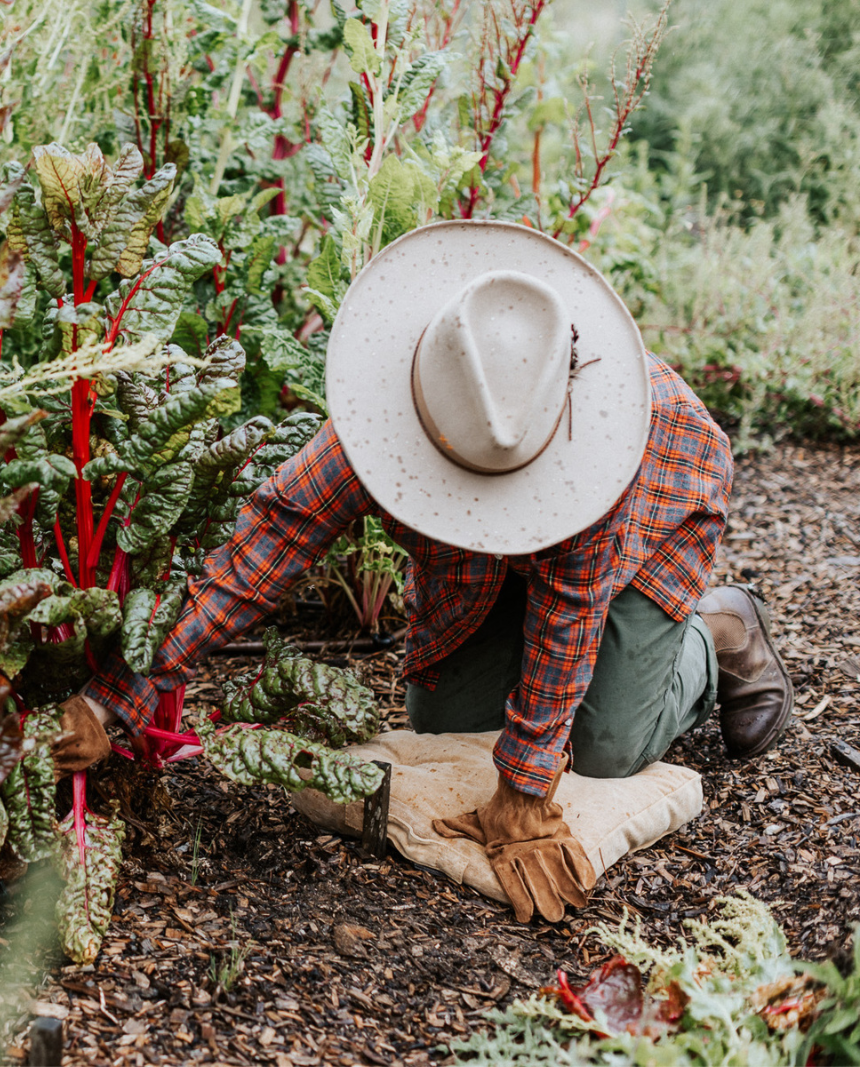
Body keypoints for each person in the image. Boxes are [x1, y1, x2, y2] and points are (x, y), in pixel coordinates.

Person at [48, 220, 794, 923]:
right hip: (488, 563)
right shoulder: (391, 415)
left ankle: (719, 632)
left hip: (650, 516)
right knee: (447, 722)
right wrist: (118, 694)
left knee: (603, 750)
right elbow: (270, 543)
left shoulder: (593, 463)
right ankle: (537, 627)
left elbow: (572, 605)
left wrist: (526, 790)